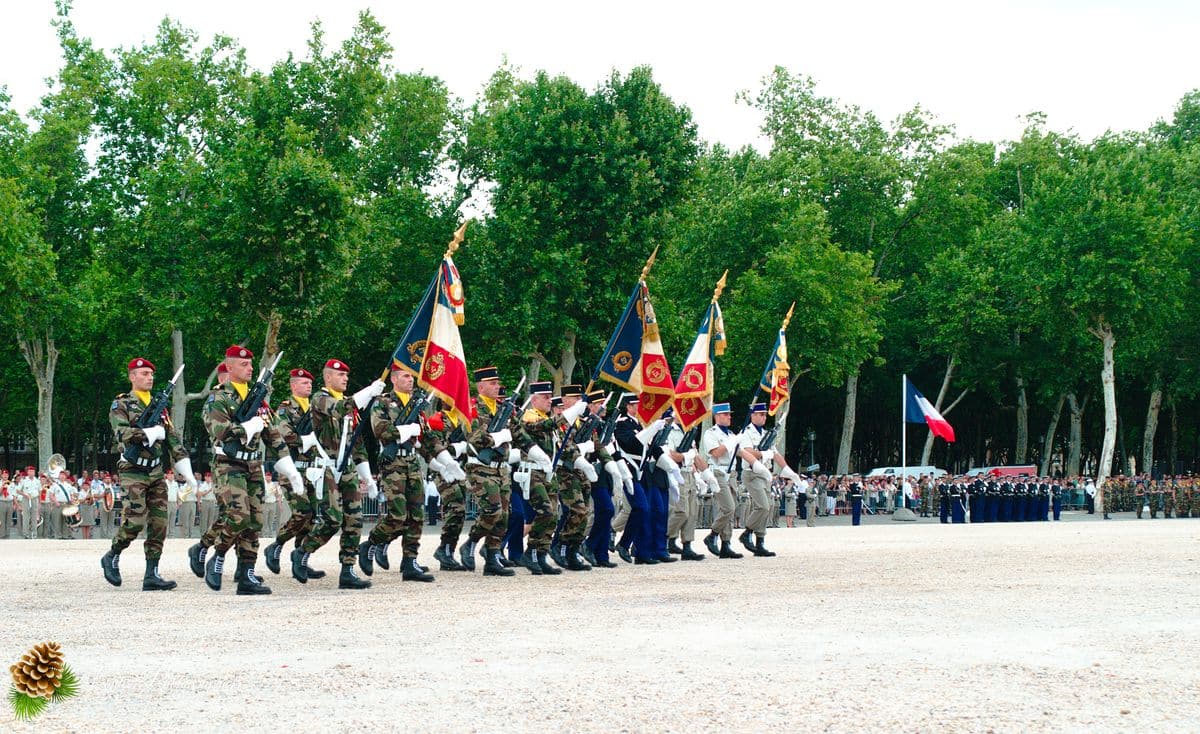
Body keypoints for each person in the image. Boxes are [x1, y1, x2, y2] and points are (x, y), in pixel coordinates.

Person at [202, 345, 303, 595]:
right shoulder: (219, 398)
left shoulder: (258, 400)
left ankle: (247, 574)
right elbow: (220, 431)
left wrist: (290, 469)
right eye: (244, 364)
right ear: (230, 367)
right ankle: (218, 556)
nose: (249, 368)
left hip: (254, 465)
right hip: (228, 464)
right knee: (238, 515)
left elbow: (274, 436)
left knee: (255, 521)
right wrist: (247, 427)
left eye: (250, 364)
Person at [101, 357, 198, 591]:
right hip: (132, 470)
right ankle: (112, 555)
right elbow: (121, 433)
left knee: (159, 524)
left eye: (151, 374)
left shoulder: (160, 407)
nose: (149, 377)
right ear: (132, 377)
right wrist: (148, 433)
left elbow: (174, 442)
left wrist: (189, 474)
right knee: (134, 521)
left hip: (155, 471)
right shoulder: (121, 403)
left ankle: (151, 574)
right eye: (144, 373)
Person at [292, 358, 381, 589]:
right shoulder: (320, 399)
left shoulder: (352, 408)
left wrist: (368, 478)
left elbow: (357, 445)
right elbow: (339, 408)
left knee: (354, 520)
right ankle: (302, 552)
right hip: (325, 466)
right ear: (328, 377)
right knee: (332, 518)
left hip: (348, 467)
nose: (345, 379)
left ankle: (348, 569)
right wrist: (369, 391)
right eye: (340, 375)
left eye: (346, 376)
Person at [359, 368, 435, 582]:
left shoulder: (417, 405)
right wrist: (404, 431)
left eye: (411, 376)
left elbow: (427, 435)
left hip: (412, 461)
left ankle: (410, 561)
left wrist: (441, 458)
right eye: (405, 376)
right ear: (393, 379)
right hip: (393, 464)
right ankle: (371, 543)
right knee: (397, 516)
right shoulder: (383, 402)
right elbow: (380, 430)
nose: (410, 380)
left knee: (417, 516)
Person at [261, 368, 327, 580]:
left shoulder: (315, 409)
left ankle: (301, 559)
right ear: (293, 385)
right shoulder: (285, 409)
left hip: (312, 470)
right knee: (303, 512)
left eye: (310, 383)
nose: (308, 386)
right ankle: (276, 545)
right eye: (303, 383)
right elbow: (282, 435)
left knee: (312, 517)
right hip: (292, 470)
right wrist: (304, 440)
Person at [459, 366, 521, 576]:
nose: (497, 387)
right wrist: (499, 437)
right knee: (492, 510)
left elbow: (519, 432)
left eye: (498, 383)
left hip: (501, 469)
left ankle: (492, 556)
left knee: (504, 516)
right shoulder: (472, 408)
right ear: (481, 386)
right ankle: (471, 542)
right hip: (480, 467)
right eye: (493, 383)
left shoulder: (504, 408)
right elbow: (475, 437)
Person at [736, 403, 800, 557]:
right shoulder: (746, 432)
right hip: (752, 473)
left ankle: (760, 543)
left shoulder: (766, 433)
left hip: (765, 474)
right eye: (760, 414)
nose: (764, 417)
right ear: (752, 415)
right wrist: (764, 454)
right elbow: (746, 451)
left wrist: (788, 471)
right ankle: (747, 532)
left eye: (765, 414)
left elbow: (776, 454)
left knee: (768, 507)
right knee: (763, 506)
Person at [517, 381, 567, 574]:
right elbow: (545, 426)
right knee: (545, 511)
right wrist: (568, 415)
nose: (549, 400)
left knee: (553, 514)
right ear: (534, 399)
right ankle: (531, 552)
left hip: (548, 473)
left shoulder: (546, 418)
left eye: (549, 396)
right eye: (545, 397)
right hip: (533, 472)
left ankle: (540, 553)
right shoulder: (530, 416)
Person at [699, 402, 741, 559]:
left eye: (730, 414)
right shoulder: (711, 433)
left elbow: (740, 453)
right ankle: (712, 534)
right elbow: (716, 453)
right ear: (717, 416)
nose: (729, 417)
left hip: (731, 474)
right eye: (726, 414)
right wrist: (731, 443)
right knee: (728, 507)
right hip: (718, 471)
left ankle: (726, 544)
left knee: (730, 509)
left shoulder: (731, 434)